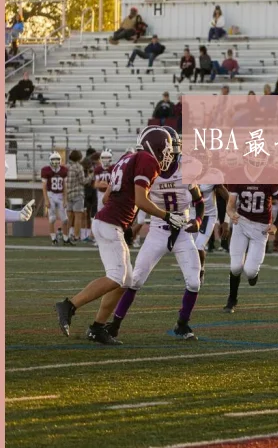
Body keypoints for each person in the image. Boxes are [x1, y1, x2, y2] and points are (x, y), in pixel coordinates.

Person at [54, 128, 183, 344]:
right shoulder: (147, 160)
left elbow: (106, 199)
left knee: (126, 281)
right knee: (116, 276)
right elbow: (141, 201)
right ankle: (69, 305)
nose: (167, 154)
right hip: (109, 223)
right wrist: (167, 216)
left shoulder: (127, 158)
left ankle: (97, 328)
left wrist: (124, 212)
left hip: (107, 221)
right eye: (166, 149)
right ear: (156, 146)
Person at [104, 129, 205, 341]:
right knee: (135, 280)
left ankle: (182, 324)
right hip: (158, 230)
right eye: (167, 150)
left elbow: (199, 201)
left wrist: (197, 221)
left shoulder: (187, 169)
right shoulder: (148, 169)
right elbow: (136, 201)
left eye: (173, 151)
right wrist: (128, 224)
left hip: (183, 231)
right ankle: (114, 325)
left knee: (194, 282)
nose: (170, 156)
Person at [223, 159, 278, 313]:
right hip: (242, 223)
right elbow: (231, 203)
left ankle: (253, 274)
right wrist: (230, 213)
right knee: (235, 266)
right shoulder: (237, 173)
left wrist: (275, 224)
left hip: (261, 227)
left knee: (250, 271)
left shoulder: (271, 173)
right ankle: (232, 299)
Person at [42, 152, 70, 245]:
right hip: (51, 194)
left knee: (65, 219)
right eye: (53, 159)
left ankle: (66, 238)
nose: (55, 162)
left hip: (61, 195)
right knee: (52, 218)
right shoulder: (45, 170)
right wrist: (46, 199)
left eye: (57, 159)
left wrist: (65, 199)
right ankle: (53, 238)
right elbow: (44, 186)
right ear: (50, 160)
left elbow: (65, 186)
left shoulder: (64, 170)